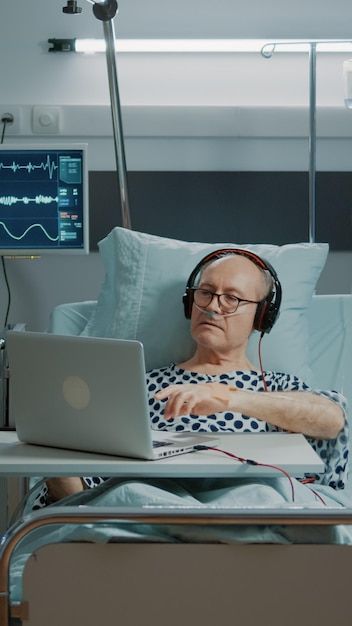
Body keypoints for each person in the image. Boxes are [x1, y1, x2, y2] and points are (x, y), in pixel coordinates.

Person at [32, 249, 348, 510]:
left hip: (249, 505)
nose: (212, 307)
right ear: (189, 302)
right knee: (129, 497)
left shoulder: (278, 388)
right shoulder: (136, 385)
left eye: (231, 299)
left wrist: (230, 397)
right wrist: (50, 438)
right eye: (205, 293)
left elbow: (331, 420)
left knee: (263, 497)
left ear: (261, 316)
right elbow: (81, 494)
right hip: (147, 510)